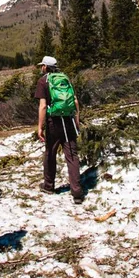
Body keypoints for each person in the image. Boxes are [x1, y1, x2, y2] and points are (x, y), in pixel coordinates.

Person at [35, 56, 84, 203]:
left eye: (42, 65)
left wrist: (40, 127)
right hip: (68, 120)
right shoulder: (65, 78)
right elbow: (75, 100)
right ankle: (77, 192)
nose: (41, 68)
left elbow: (43, 106)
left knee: (50, 152)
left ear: (45, 67)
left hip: (53, 122)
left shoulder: (43, 81)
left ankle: (48, 185)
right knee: (72, 155)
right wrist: (77, 120)